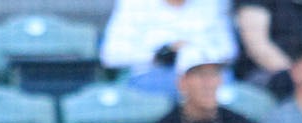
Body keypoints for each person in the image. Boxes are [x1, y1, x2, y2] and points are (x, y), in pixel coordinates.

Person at [99, 0, 235, 93]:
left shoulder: (212, 3)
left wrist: (192, 52)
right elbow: (110, 56)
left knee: (217, 85)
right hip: (150, 78)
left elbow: (229, 51)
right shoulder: (134, 3)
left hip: (203, 74)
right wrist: (161, 54)